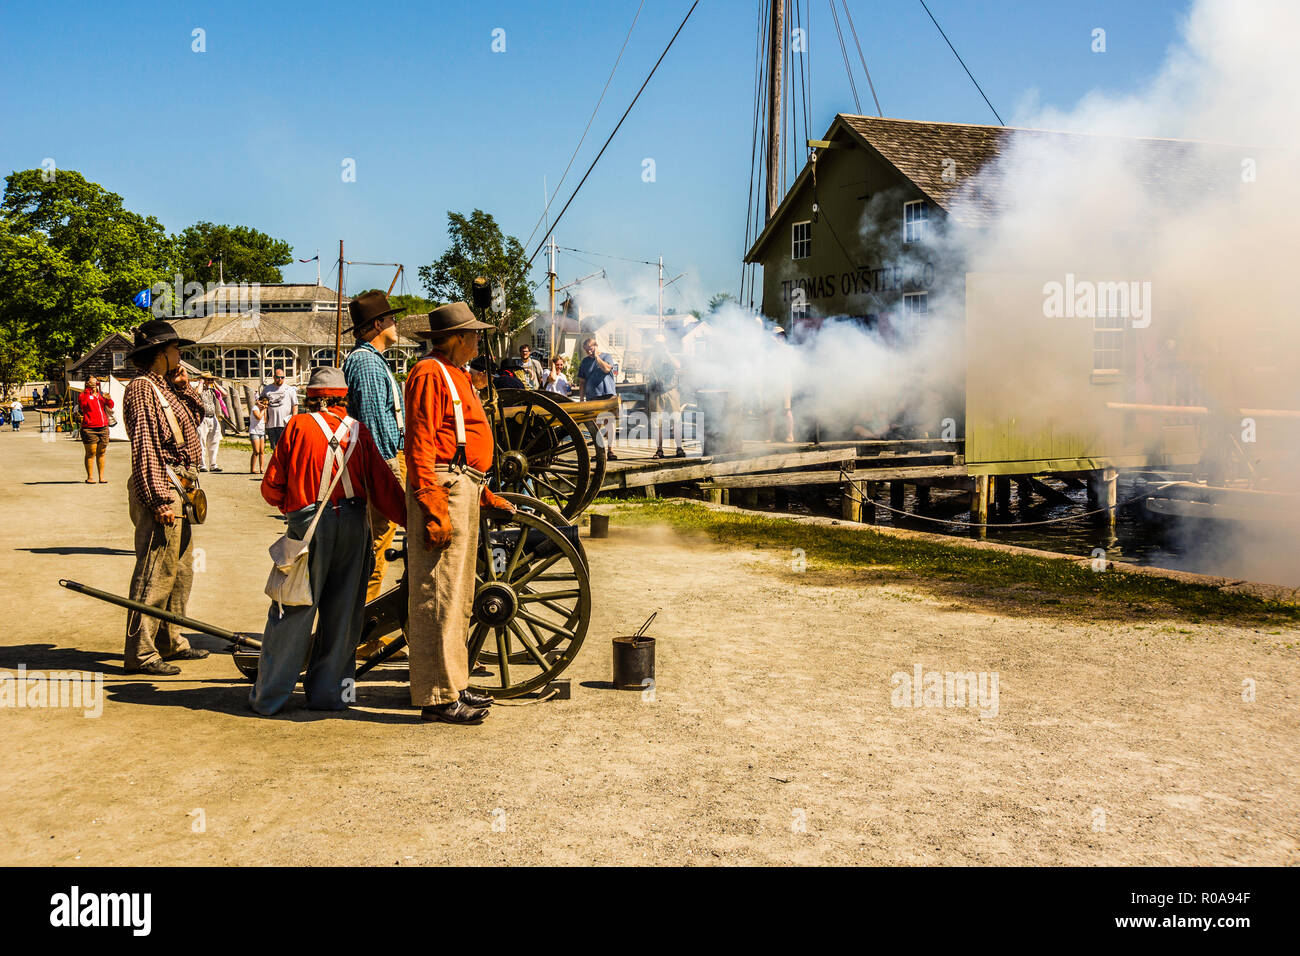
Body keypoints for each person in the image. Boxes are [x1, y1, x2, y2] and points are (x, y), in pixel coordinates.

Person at [250, 366, 407, 716]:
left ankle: (269, 699)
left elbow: (270, 487)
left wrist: (295, 507)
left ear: (310, 399)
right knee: (343, 617)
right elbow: (385, 490)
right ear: (343, 400)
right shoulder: (359, 431)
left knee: (292, 610)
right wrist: (415, 521)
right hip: (353, 527)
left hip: (307, 526)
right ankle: (330, 697)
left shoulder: (297, 426)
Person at [405, 303, 517, 725]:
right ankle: (436, 697)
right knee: (438, 593)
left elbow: (461, 444)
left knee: (458, 596)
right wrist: (433, 507)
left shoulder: (457, 374)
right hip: (443, 487)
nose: (477, 341)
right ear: (454, 338)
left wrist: (483, 494)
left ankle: (454, 683)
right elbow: (421, 442)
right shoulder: (429, 373)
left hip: (461, 484)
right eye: (472, 334)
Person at [120, 320, 210, 676]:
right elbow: (145, 446)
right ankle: (140, 652)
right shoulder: (143, 388)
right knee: (155, 571)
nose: (180, 355)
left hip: (181, 485)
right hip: (165, 483)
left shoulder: (165, 387)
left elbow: (195, 420)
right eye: (175, 350)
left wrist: (185, 387)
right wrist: (158, 499)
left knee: (180, 570)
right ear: (160, 354)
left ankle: (169, 640)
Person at [341, 289, 407, 606]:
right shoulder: (366, 364)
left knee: (377, 544)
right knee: (376, 546)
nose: (396, 323)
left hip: (383, 461)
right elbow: (372, 423)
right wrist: (389, 473)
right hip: (383, 462)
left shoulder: (371, 361)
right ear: (378, 323)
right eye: (392, 318)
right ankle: (360, 629)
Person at [576, 336, 620, 459]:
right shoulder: (585, 362)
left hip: (608, 394)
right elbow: (582, 382)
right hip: (592, 397)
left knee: (609, 423)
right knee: (596, 425)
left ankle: (611, 450)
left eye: (590, 349)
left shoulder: (606, 357)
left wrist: (596, 357)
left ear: (595, 346)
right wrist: (581, 399)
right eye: (586, 350)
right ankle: (599, 452)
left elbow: (606, 369)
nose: (588, 352)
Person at [645, 335, 685, 458]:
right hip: (656, 392)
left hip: (671, 391)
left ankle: (679, 448)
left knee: (676, 420)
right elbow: (644, 368)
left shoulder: (670, 356)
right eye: (657, 344)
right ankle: (659, 450)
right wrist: (652, 353)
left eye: (661, 344)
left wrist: (666, 351)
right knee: (657, 423)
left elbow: (678, 365)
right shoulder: (651, 357)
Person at [79, 375, 115, 483]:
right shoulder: (83, 395)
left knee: (102, 452)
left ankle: (101, 477)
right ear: (87, 384)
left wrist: (108, 399)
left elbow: (111, 405)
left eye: (96, 382)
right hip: (89, 428)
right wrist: (89, 393)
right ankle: (90, 477)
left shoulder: (101, 395)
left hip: (103, 426)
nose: (95, 384)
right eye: (92, 382)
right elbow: (83, 405)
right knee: (91, 453)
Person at [259, 367, 298, 452]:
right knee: (274, 449)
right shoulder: (267, 389)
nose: (280, 379)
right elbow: (261, 402)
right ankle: (276, 465)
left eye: (282, 377)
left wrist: (294, 419)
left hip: (285, 423)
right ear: (273, 377)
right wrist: (264, 415)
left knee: (285, 448)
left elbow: (295, 405)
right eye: (278, 377)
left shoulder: (290, 389)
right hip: (271, 424)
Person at [197, 371, 227, 472]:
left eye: (211, 379)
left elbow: (225, 394)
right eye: (208, 379)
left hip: (212, 417)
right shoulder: (198, 388)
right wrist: (201, 383)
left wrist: (215, 384)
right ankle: (202, 465)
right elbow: (198, 393)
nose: (210, 381)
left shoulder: (213, 389)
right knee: (202, 441)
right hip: (202, 418)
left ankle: (213, 464)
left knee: (214, 441)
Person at [248, 397, 268, 474]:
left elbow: (265, 420)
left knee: (262, 451)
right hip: (254, 432)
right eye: (264, 403)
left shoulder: (264, 410)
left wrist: (264, 411)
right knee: (256, 451)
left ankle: (262, 468)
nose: (265, 406)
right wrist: (263, 409)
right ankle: (252, 468)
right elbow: (258, 417)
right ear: (259, 402)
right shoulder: (255, 408)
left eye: (266, 404)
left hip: (261, 432)